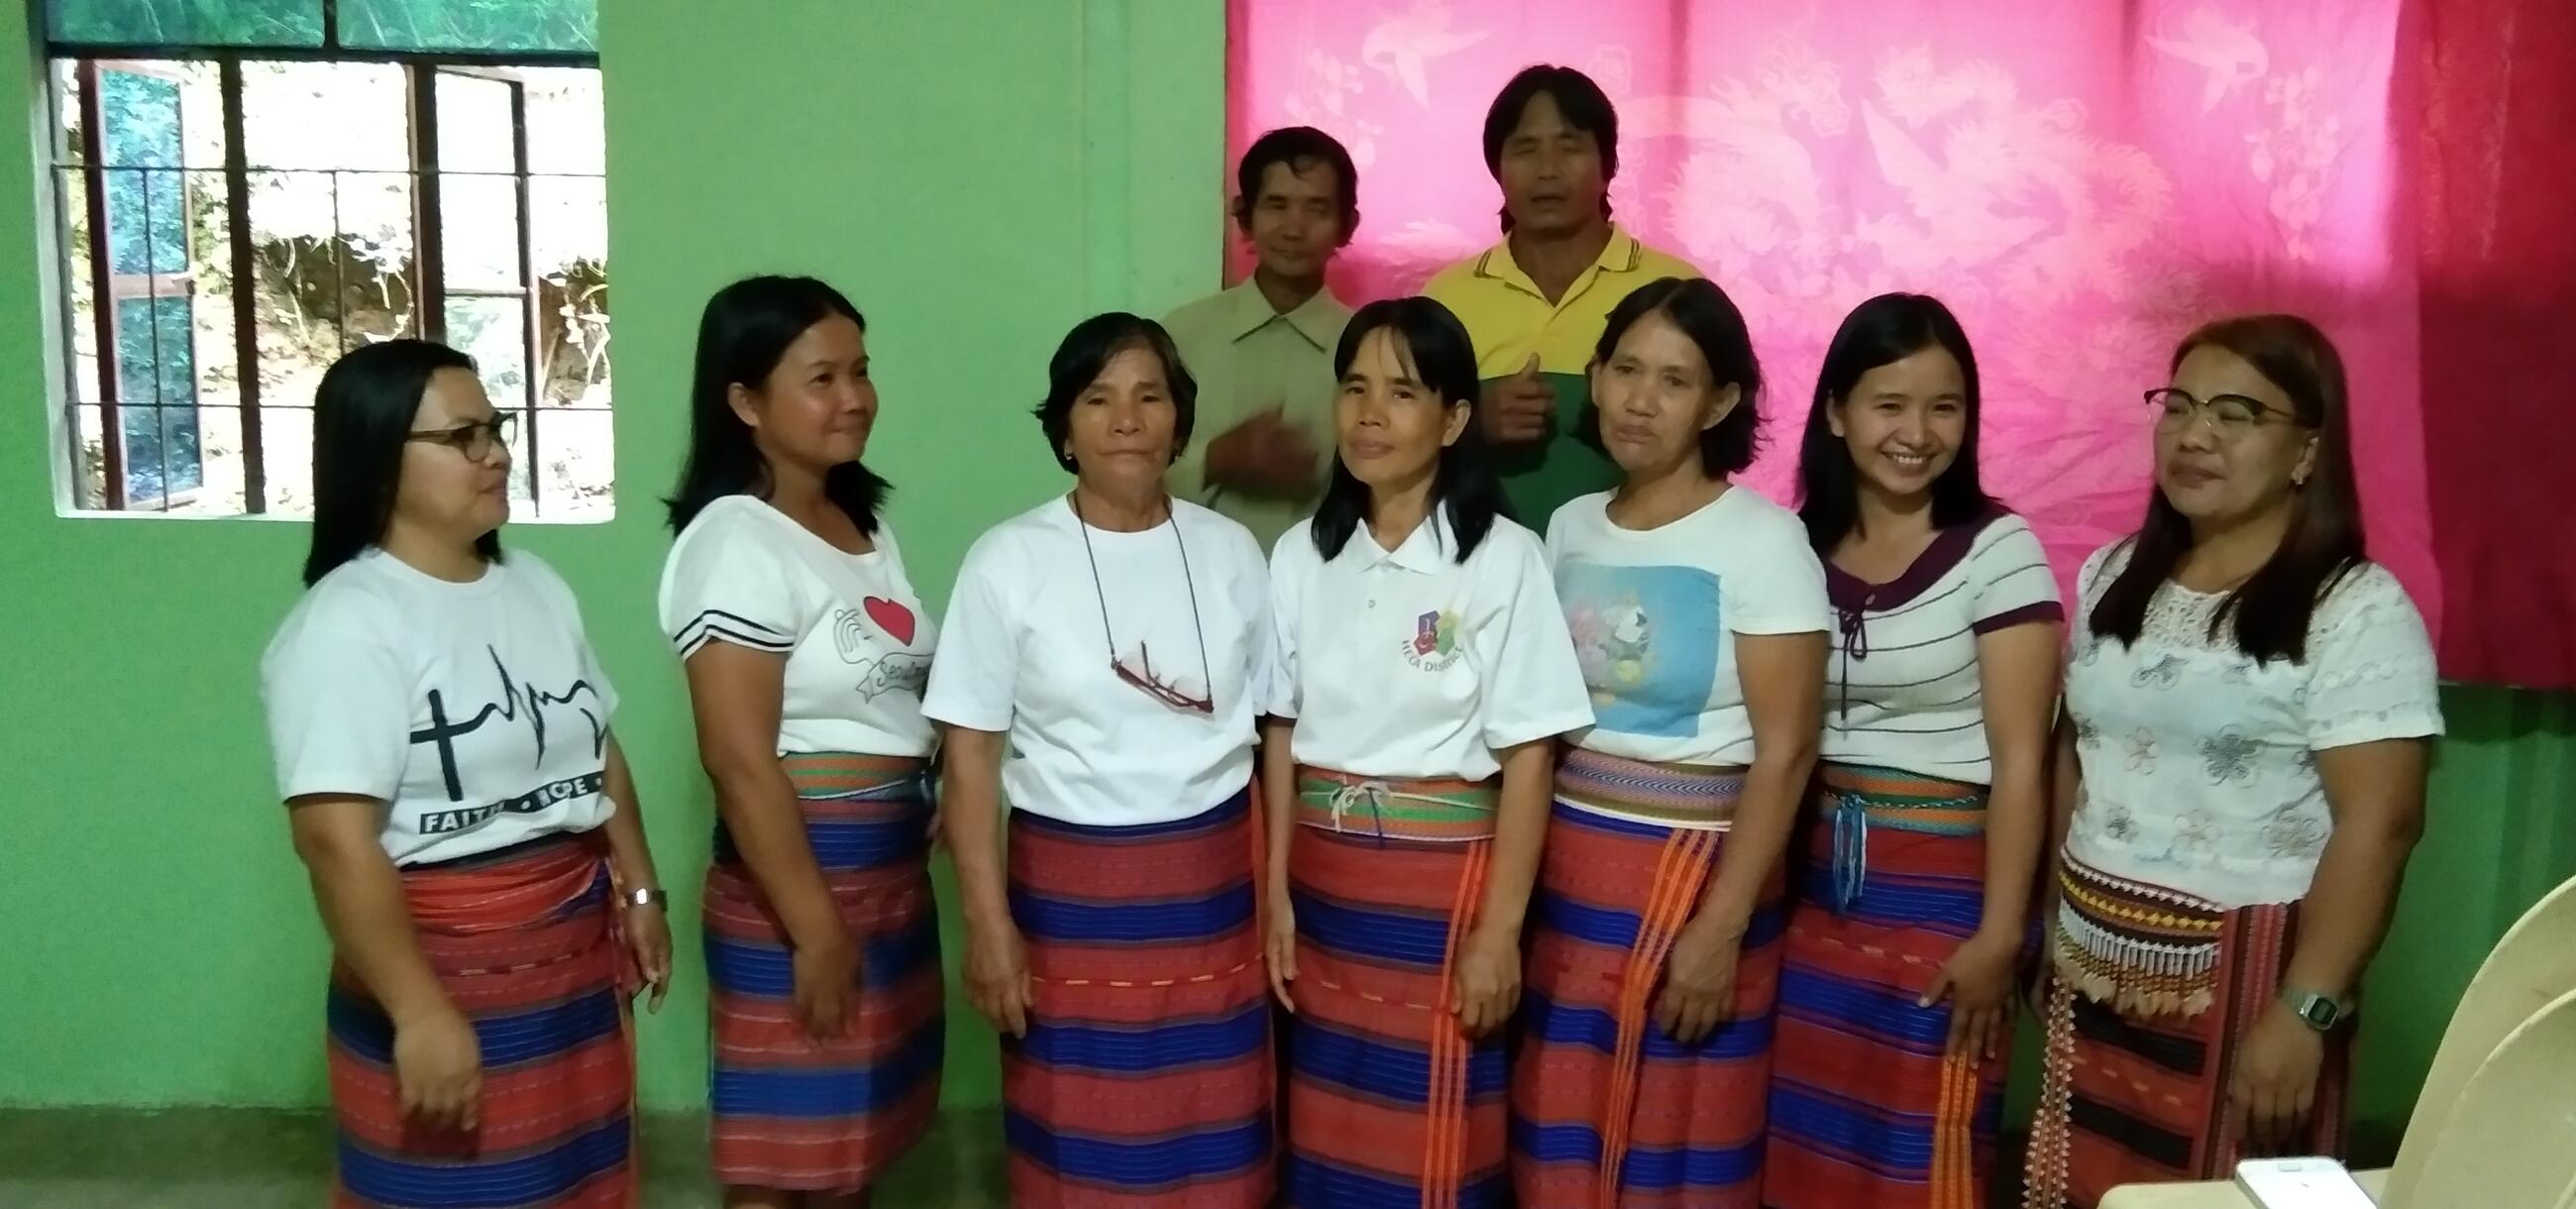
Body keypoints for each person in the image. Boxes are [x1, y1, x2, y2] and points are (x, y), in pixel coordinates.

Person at [2021, 316, 2442, 1208]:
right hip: (2091, 964)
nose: (2195, 434)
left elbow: (2383, 823)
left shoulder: (2354, 609)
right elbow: (2076, 753)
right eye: (2178, 406)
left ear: (2306, 452)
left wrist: (2306, 1010)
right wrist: (2052, 919)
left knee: (2228, 1192)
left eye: (2236, 413)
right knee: (2088, 1189)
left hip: (2252, 989)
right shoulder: (2111, 575)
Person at [261, 340, 671, 1207]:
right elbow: (334, 842)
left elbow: (596, 745)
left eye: (496, 428)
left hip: (567, 962)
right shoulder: (348, 623)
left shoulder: (536, 585)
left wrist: (640, 891)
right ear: (378, 459)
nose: (495, 454)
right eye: (462, 437)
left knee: (569, 1182)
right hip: (441, 967)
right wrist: (419, 1012)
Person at [924, 313, 1277, 1207]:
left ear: (1178, 419)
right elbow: (970, 760)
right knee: (1082, 1151)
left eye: (1150, 396)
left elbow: (1272, 730)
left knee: (1215, 1146)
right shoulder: (1008, 561)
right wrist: (988, 926)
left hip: (1212, 895)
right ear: (1065, 429)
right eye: (1098, 399)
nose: (1127, 420)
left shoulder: (1232, 552)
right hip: (1070, 903)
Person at [1262, 296, 1592, 1207]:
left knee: (1435, 1151)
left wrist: (1499, 932)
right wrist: (1277, 893)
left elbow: (1531, 756)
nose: (1369, 415)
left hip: (1443, 895)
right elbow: (1280, 731)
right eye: (1354, 388)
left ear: (1453, 420)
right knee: (1327, 1139)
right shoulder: (1300, 556)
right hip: (1325, 890)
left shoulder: (1501, 558)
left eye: (1402, 393)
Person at [1512, 276, 1827, 1208]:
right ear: (1595, 378)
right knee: (1562, 1134)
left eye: (1675, 380)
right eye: (1626, 370)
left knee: (1675, 1142)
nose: (1641, 400)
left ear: (1720, 403)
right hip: (1573, 881)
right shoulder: (1568, 527)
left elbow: (1788, 752)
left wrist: (1719, 929)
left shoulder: (1765, 541)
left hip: (1696, 881)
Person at [1762, 294, 2064, 1209]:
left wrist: (2001, 936)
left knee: (1924, 1154)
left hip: (1946, 901)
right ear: (1836, 412)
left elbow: (2024, 763)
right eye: (1889, 405)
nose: (1918, 433)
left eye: (1945, 407)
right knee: (1808, 1155)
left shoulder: (1998, 550)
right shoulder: (1790, 548)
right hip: (1816, 895)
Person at [660, 276, 944, 1208]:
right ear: (745, 402)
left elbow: (886, 691)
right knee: (780, 1167)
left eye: (861, 371)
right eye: (821, 379)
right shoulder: (734, 542)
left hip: (886, 882)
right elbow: (739, 761)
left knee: (847, 1156)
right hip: (795, 896)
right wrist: (815, 929)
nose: (854, 397)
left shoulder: (861, 522)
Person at [1423, 64, 1700, 524]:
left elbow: (1722, 437)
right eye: (1525, 149)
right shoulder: (1444, 299)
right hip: (1476, 558)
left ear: (1608, 166)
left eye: (1569, 146)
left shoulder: (1676, 290)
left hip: (1640, 557)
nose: (1547, 170)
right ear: (1497, 170)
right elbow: (1395, 441)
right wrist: (1469, 423)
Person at [1164, 126, 1361, 552]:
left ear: (1348, 226)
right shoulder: (1180, 336)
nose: (1294, 228)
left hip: (1329, 578)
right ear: (1244, 217)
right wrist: (1218, 458)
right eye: (1276, 205)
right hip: (1192, 576)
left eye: (1317, 209)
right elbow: (1125, 472)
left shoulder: (1369, 347)